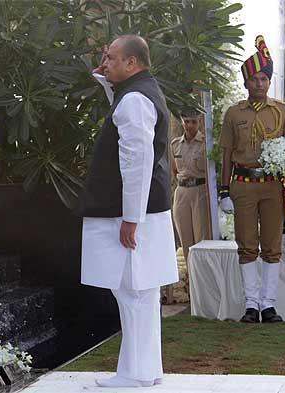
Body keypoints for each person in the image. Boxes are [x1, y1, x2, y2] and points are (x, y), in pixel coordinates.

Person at [79, 34, 178, 388]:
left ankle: (134, 374)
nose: (104, 63)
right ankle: (146, 371)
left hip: (132, 212)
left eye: (110, 58)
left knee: (132, 290)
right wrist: (107, 83)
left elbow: (137, 162)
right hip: (144, 209)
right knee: (142, 292)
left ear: (131, 64)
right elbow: (125, 113)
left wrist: (130, 219)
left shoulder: (135, 99)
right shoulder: (139, 92)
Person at [218, 35, 285, 323]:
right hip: (243, 185)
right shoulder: (233, 113)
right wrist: (224, 191)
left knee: (273, 245)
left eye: (264, 78)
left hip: (274, 187)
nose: (259, 84)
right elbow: (226, 154)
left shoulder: (283, 111)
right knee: (247, 244)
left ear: (268, 81)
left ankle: (269, 305)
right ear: (246, 83)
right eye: (253, 79)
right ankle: (251, 305)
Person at [171, 109, 212, 261]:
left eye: (193, 122)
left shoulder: (206, 144)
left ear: (199, 122)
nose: (189, 125)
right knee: (185, 237)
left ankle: (203, 280)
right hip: (182, 192)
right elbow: (174, 170)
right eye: (186, 121)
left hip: (200, 191)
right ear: (182, 122)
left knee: (202, 239)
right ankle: (190, 278)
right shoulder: (175, 144)